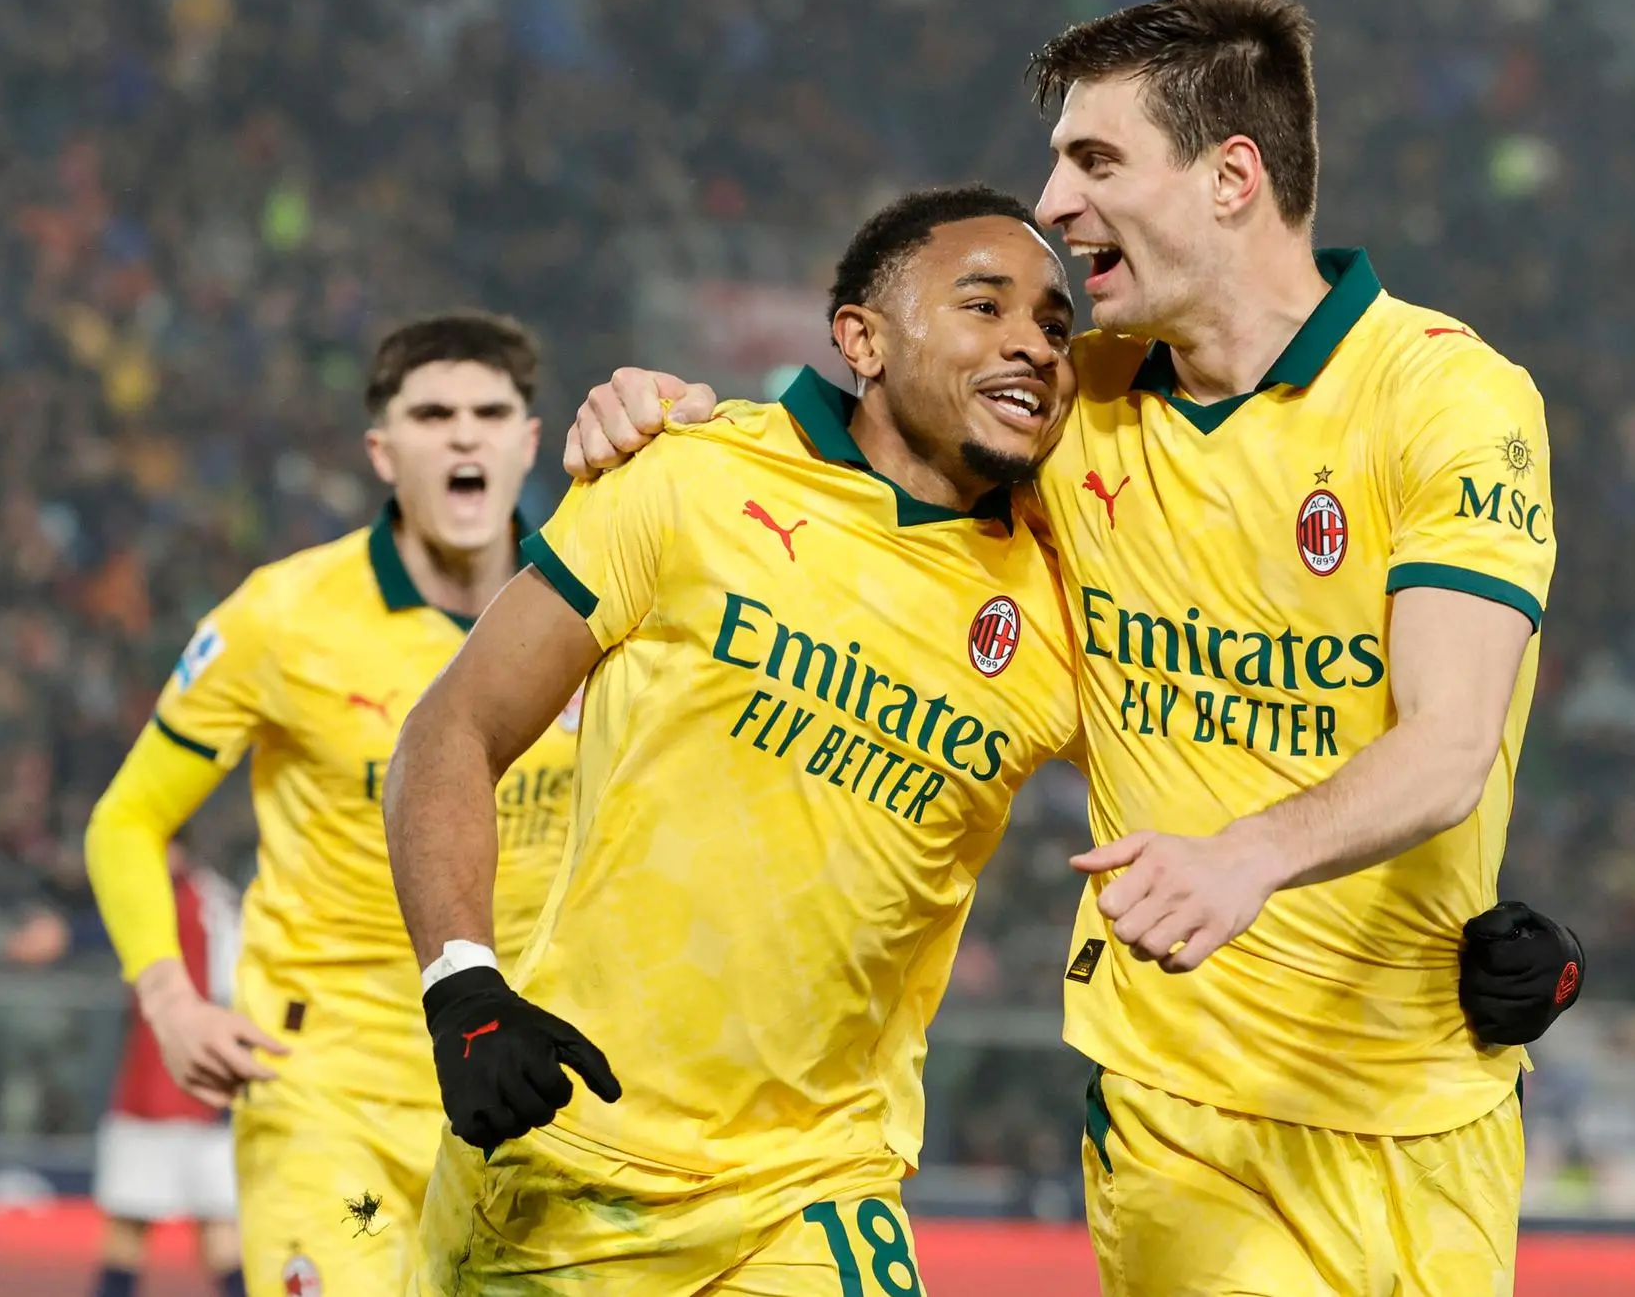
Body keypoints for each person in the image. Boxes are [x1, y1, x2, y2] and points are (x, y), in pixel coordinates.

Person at [562, 0, 1585, 1292]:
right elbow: (840, 459)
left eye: (1095, 159)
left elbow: (1449, 745)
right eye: (1055, 163)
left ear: (1230, 178)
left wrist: (1259, 860)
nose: (1052, 206)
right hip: (1177, 1106)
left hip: (1426, 1103)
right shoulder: (1066, 400)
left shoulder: (1448, 399)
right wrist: (662, 409)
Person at [385, 185, 1083, 1294]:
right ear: (860, 336)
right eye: (983, 305)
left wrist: (1458, 905)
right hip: (567, 1164)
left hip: (813, 1191)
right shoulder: (687, 476)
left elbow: (1235, 768)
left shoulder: (1062, 600)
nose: (1032, 346)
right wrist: (462, 990)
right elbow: (451, 728)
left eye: (1054, 324)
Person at [84, 313, 579, 1297]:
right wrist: (170, 998)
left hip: (526, 1084)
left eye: (490, 413)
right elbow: (127, 820)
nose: (464, 436)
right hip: (324, 1089)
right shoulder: (281, 616)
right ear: (381, 450)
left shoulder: (597, 606)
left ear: (528, 441)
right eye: (432, 414)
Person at [91, 851, 246, 1297]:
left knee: (127, 1229)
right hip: (216, 1084)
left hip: (159, 1083)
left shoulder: (170, 896)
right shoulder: (216, 894)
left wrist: (64, 935)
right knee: (221, 1232)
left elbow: (114, 928)